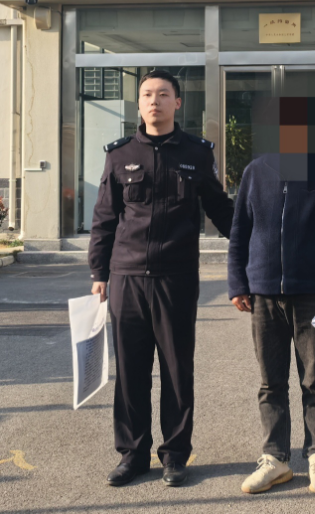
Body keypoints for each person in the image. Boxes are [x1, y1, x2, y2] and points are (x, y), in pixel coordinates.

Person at [89, 69, 234, 487]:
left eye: (163, 94)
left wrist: (255, 248)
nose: (155, 101)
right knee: (130, 371)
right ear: (139, 104)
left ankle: (175, 455)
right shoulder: (119, 155)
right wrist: (99, 272)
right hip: (127, 276)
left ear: (177, 103)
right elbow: (104, 217)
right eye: (147, 94)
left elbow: (220, 209)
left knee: (176, 370)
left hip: (177, 277)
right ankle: (132, 455)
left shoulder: (197, 153)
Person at [228, 155, 315, 495]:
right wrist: (237, 283)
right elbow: (239, 232)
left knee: (314, 379)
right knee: (270, 382)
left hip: (313, 296)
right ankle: (275, 459)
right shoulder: (256, 171)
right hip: (263, 296)